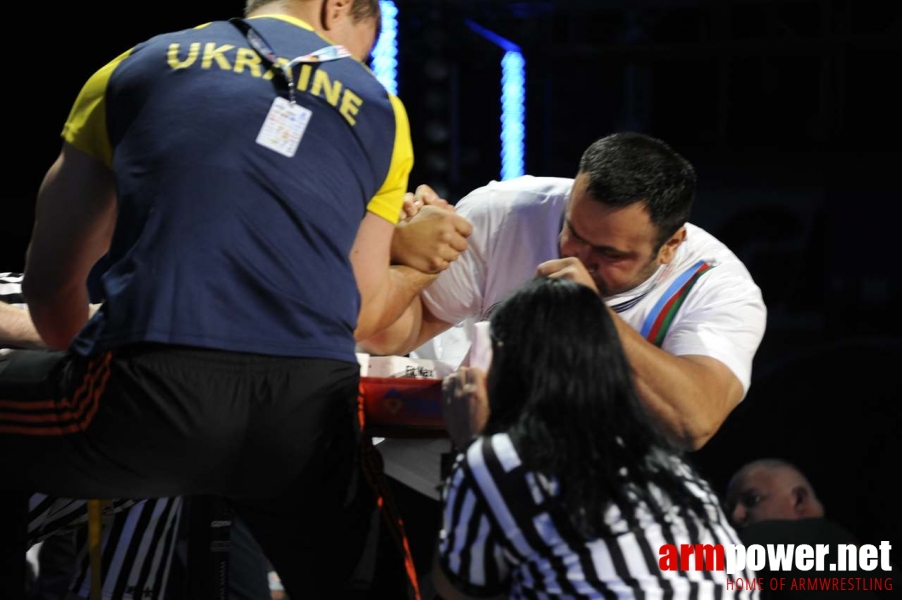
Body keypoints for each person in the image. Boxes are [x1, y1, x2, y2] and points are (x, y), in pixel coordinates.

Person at [0, 1, 471, 597]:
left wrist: (86, 369)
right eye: (366, 48)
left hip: (151, 396)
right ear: (335, 9)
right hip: (304, 417)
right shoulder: (381, 108)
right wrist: (418, 265)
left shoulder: (133, 67)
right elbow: (362, 313)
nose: (361, 63)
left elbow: (50, 286)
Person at [361, 132, 767, 591]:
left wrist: (589, 311)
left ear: (670, 245)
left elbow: (694, 422)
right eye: (573, 230)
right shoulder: (507, 211)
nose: (577, 255)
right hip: (438, 472)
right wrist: (404, 255)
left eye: (609, 254)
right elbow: (390, 333)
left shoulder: (718, 288)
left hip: (595, 505)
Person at [435, 277, 758, 599]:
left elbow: (457, 591)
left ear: (507, 362)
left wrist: (471, 445)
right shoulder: (664, 461)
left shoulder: (500, 458)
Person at [724, 459, 887, 598]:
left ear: (798, 500)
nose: (736, 515)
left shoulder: (772, 541)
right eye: (731, 508)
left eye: (753, 500)